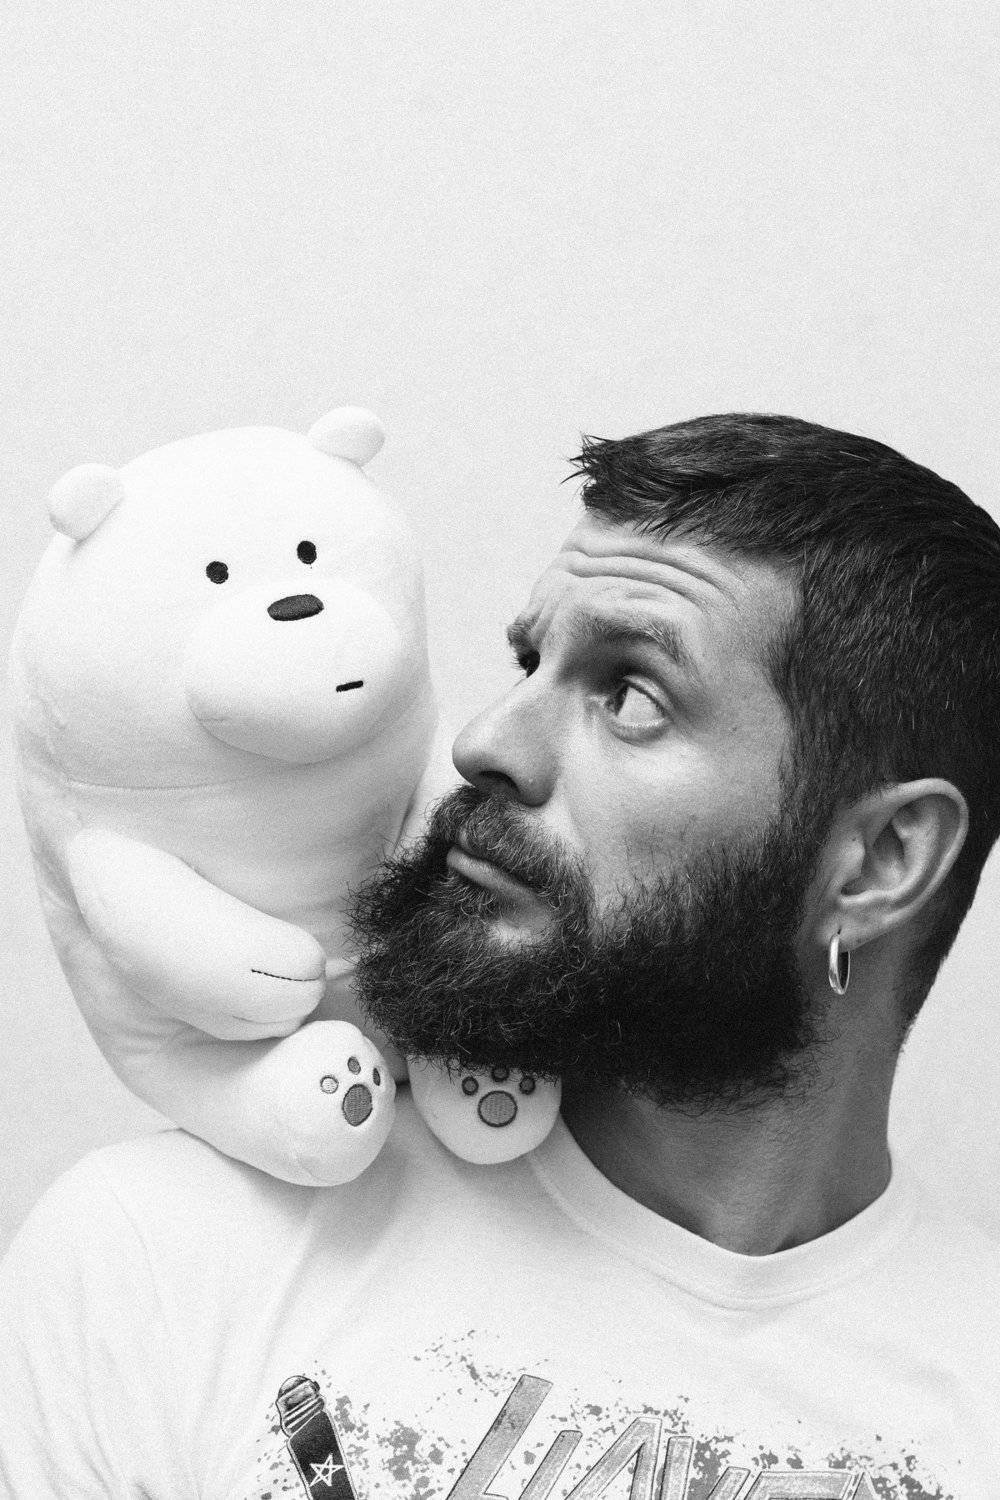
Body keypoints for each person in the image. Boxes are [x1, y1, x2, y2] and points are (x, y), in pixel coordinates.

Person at [1, 413, 998, 1500]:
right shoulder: (162, 1260)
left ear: (879, 862)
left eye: (630, 695)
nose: (485, 741)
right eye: (530, 662)